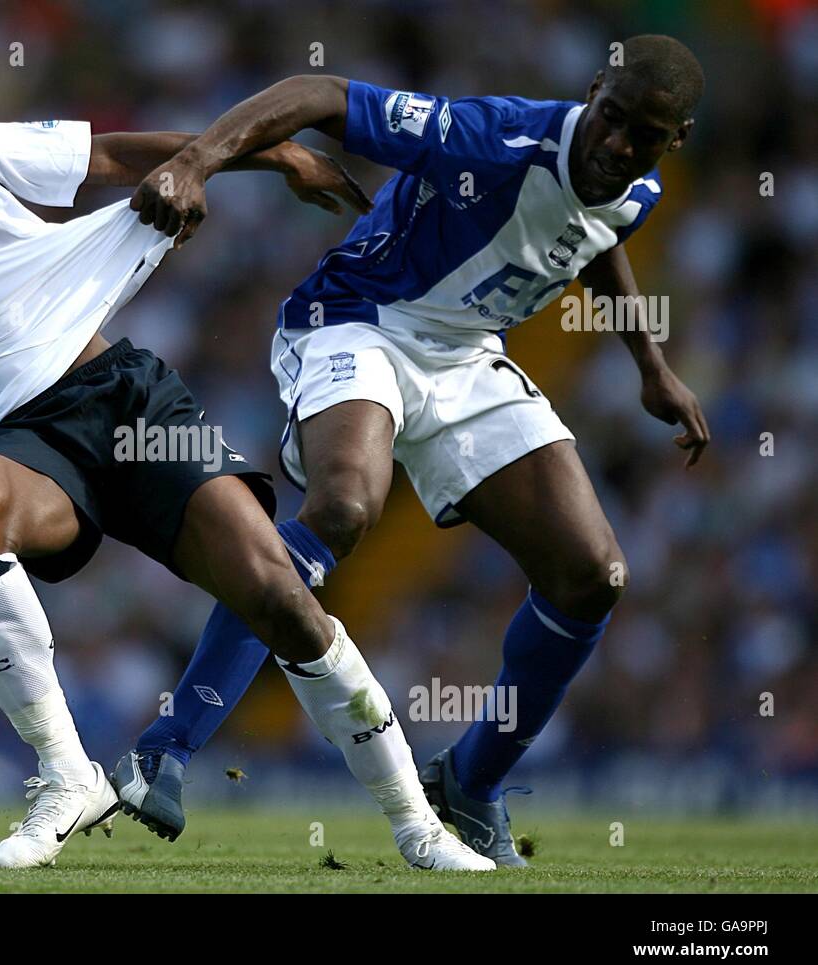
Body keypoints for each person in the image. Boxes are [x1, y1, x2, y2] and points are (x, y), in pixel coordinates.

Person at [0, 89, 492, 871]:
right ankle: (66, 777)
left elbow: (109, 158)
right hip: (19, 450)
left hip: (122, 399)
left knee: (280, 597)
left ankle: (417, 826)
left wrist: (274, 154)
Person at [116, 34, 709, 867]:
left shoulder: (636, 187)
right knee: (344, 507)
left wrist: (652, 365)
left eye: (644, 134)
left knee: (592, 575)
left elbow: (598, 232)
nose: (618, 144)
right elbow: (321, 91)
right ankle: (165, 746)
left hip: (466, 358)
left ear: (673, 140)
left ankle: (471, 784)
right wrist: (198, 161)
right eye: (611, 118)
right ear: (592, 90)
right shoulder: (490, 136)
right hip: (361, 319)